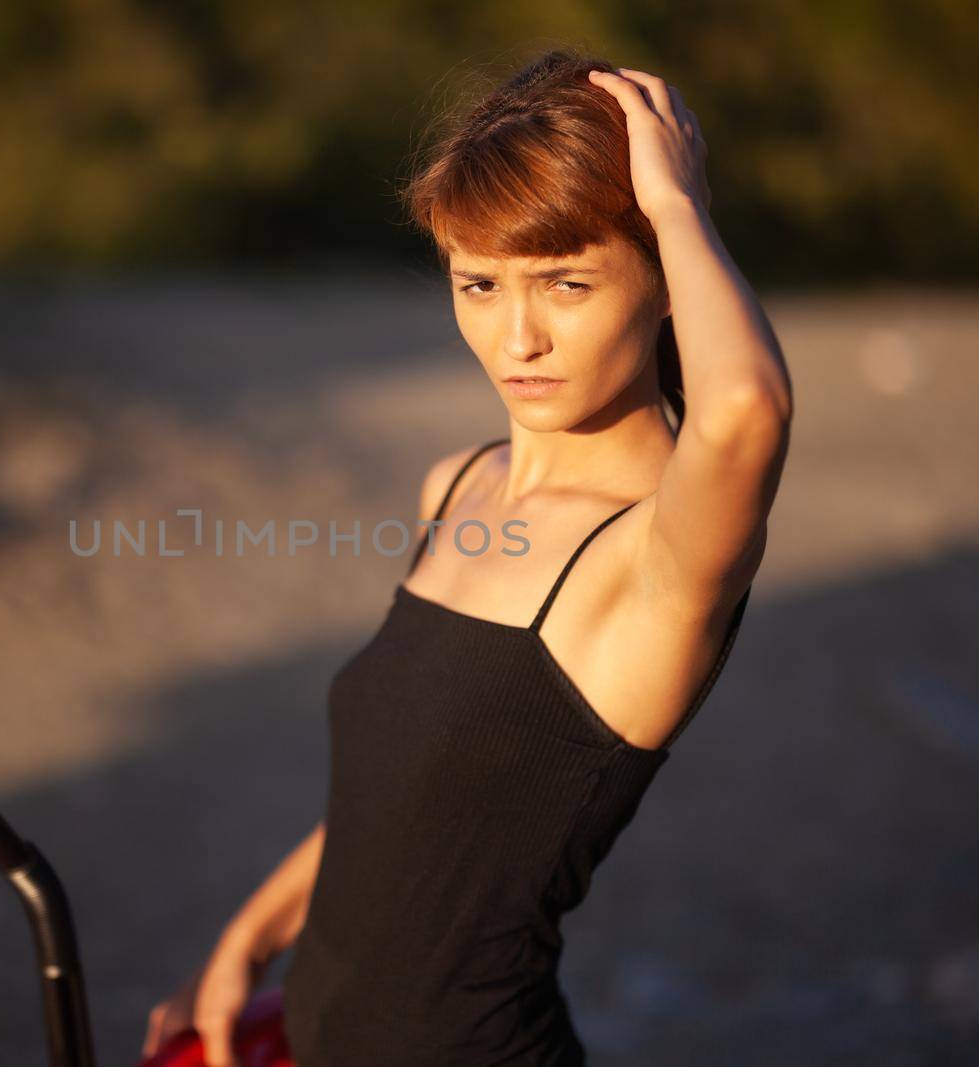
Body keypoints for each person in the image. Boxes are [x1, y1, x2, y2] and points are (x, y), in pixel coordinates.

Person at [142, 45, 792, 1066]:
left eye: (566, 283)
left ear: (665, 283)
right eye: (479, 282)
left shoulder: (654, 556)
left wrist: (676, 206)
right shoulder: (458, 485)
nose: (516, 336)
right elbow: (402, 810)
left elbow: (745, 409)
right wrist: (247, 938)